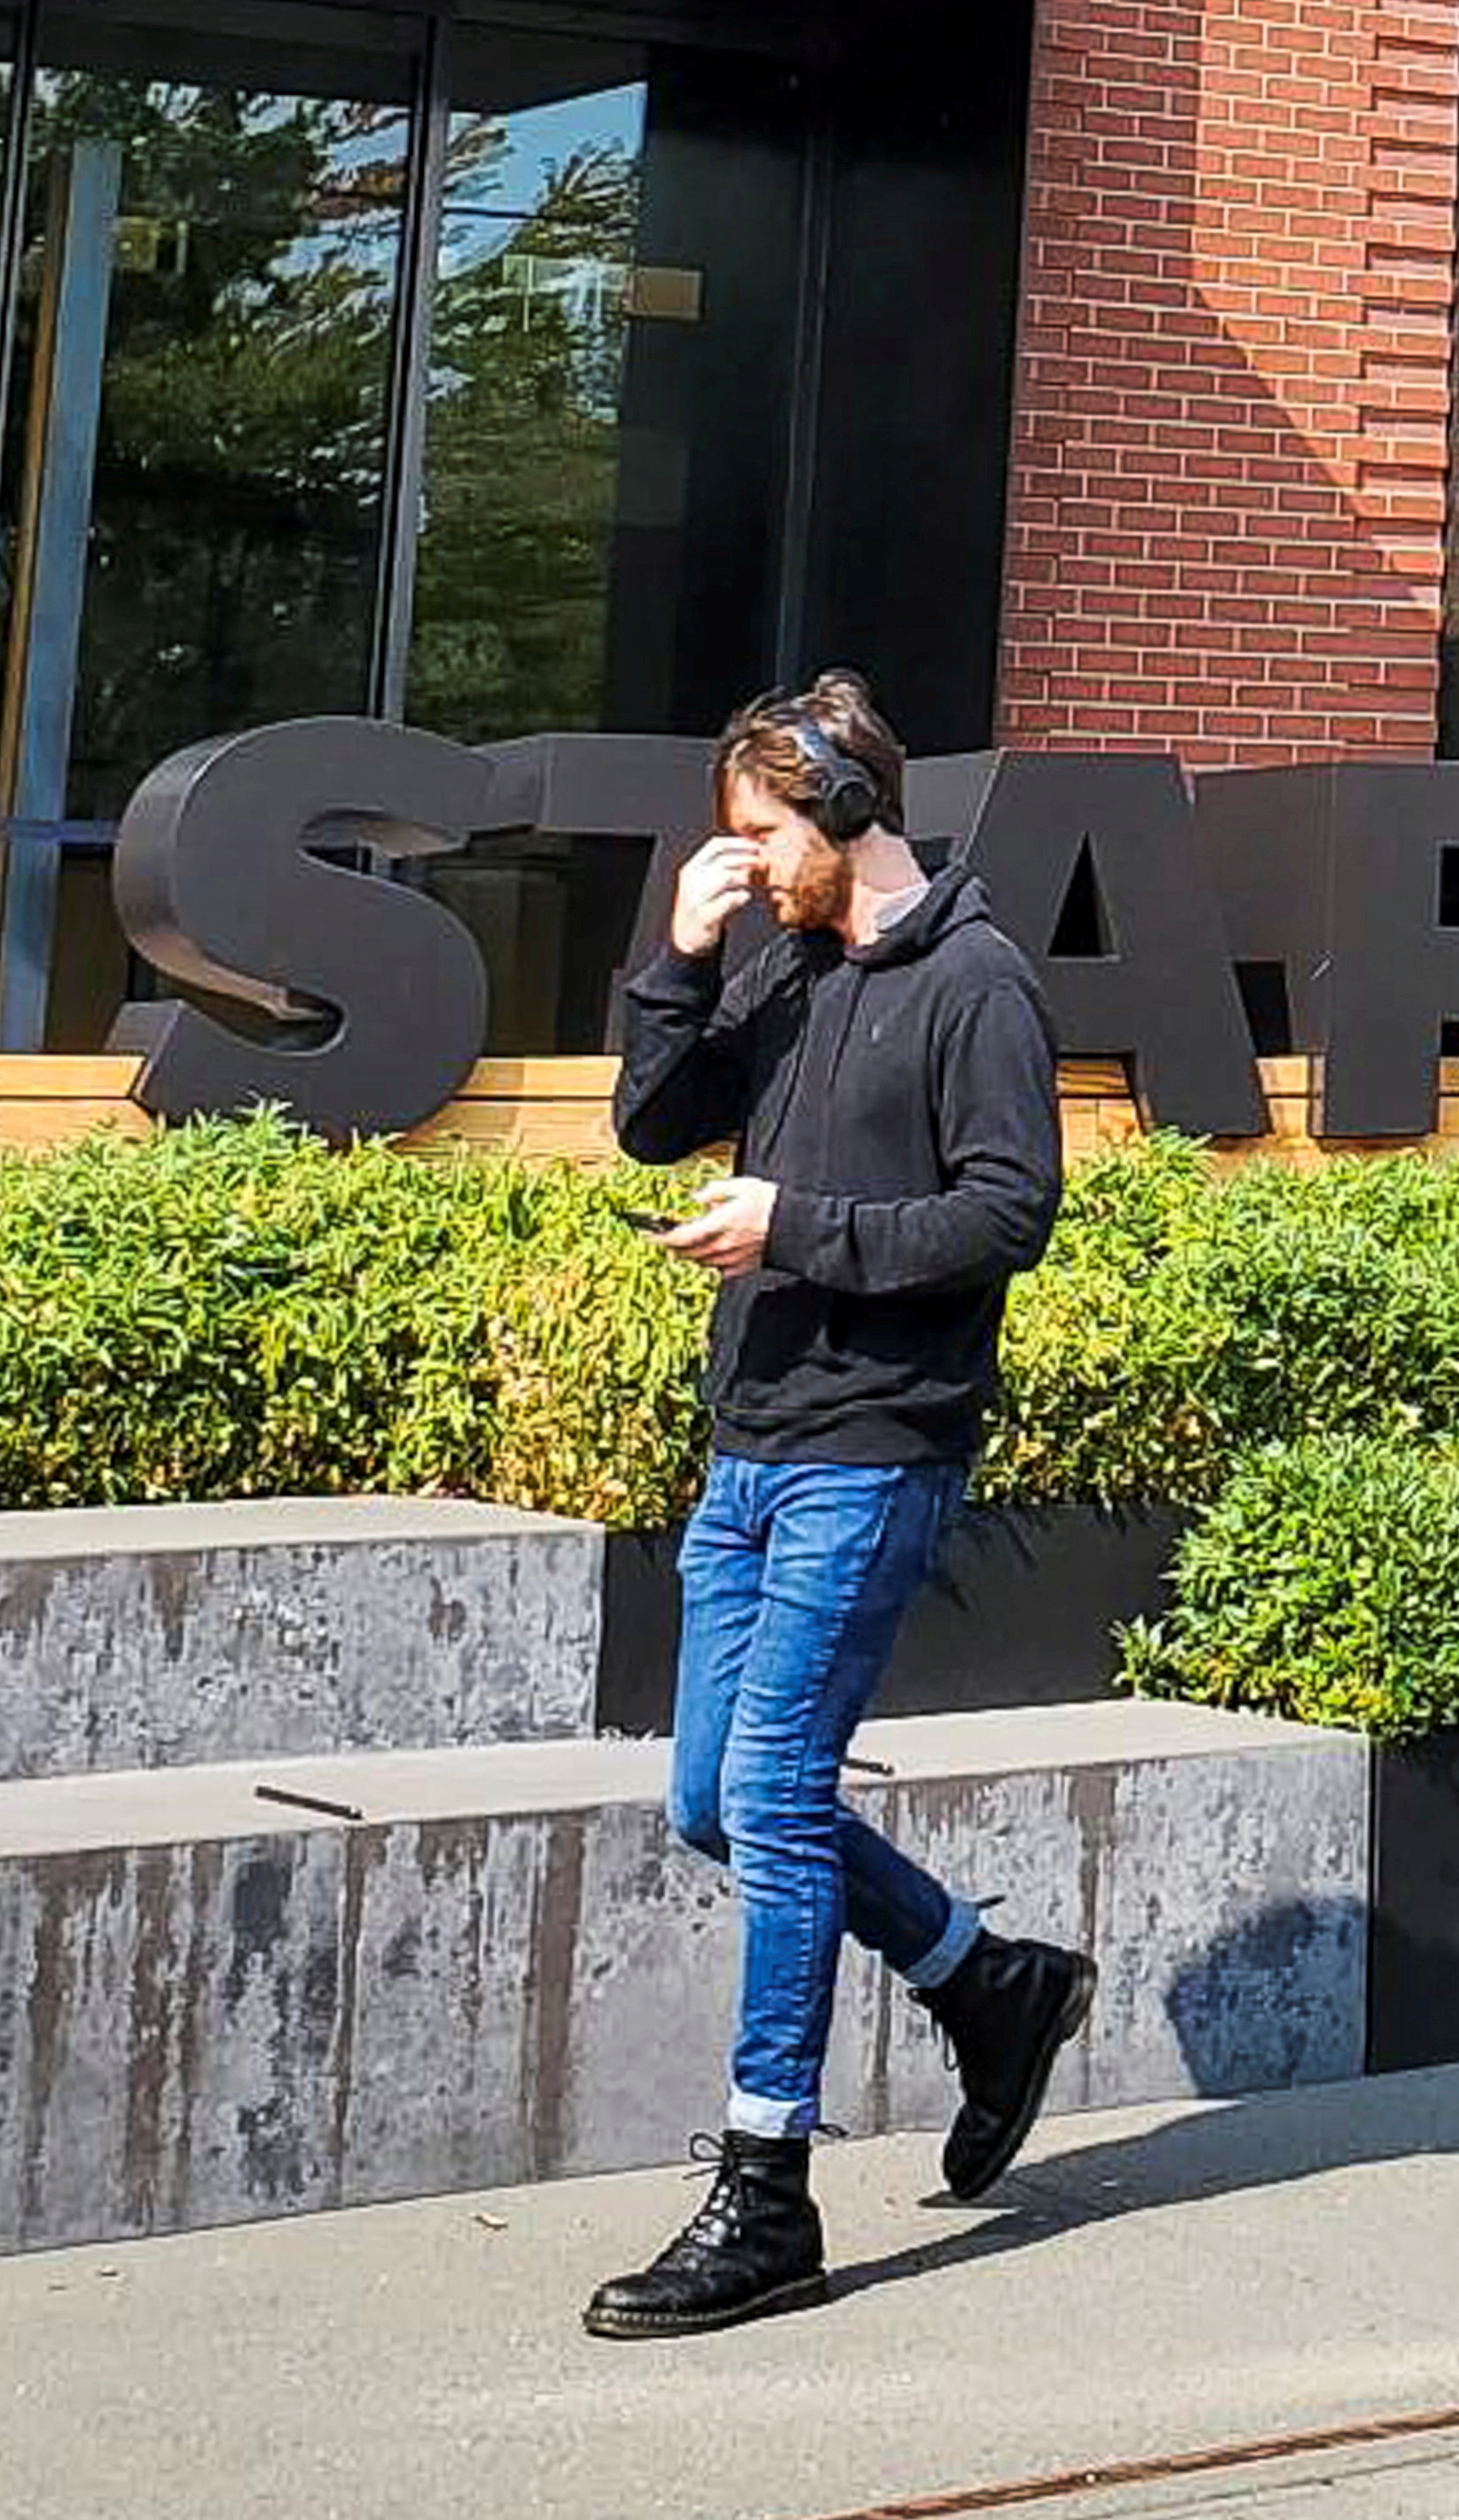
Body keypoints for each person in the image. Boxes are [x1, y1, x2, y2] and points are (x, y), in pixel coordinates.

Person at [585, 670, 1094, 2340]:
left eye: (764, 833)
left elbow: (1008, 1213)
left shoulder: (979, 982)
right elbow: (656, 1123)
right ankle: (984, 1975)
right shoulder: (791, 969)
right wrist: (679, 945)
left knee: (782, 1789)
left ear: (855, 816)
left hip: (875, 1446)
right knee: (715, 1804)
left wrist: (795, 1227)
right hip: (752, 1437)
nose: (748, 861)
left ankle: (767, 2184)